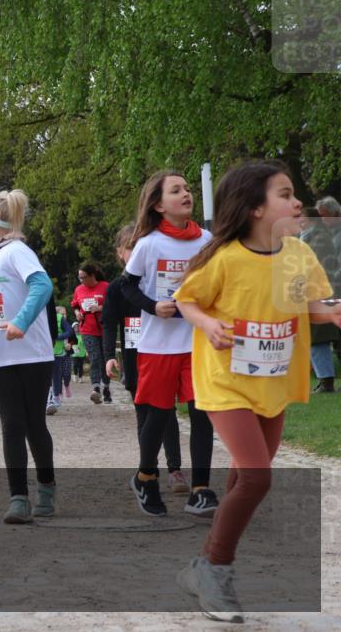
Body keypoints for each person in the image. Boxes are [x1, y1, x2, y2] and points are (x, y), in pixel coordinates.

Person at [173, 160, 340, 624]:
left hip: (273, 382)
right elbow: (187, 299)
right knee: (258, 478)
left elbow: (306, 303)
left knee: (246, 478)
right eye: (285, 194)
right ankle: (215, 570)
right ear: (254, 209)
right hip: (225, 383)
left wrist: (332, 311)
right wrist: (207, 324)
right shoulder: (224, 258)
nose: (296, 201)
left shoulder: (298, 255)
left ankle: (201, 568)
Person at [120, 170, 218, 518]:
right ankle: (146, 477)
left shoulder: (206, 239)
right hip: (158, 345)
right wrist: (152, 306)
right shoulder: (148, 244)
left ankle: (201, 489)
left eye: (188, 188)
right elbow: (125, 287)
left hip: (196, 343)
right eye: (176, 190)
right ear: (159, 204)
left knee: (201, 414)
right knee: (159, 416)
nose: (186, 193)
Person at [0, 189, 56, 523]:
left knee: (34, 424)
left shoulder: (17, 250)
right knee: (12, 425)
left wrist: (21, 322)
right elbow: (10, 299)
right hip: (0, 356)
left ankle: (46, 490)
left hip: (33, 355)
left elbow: (43, 286)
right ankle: (18, 499)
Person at [104, 224, 187, 493]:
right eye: (131, 248)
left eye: (140, 246)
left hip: (163, 352)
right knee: (143, 412)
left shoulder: (158, 281)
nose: (136, 252)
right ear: (120, 253)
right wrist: (108, 356)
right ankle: (147, 470)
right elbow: (108, 324)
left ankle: (175, 469)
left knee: (166, 412)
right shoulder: (118, 287)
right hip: (133, 356)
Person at [303, 201, 341, 393]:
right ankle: (324, 380)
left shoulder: (317, 238)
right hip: (322, 293)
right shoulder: (315, 236)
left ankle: (326, 381)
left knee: (318, 338)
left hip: (323, 294)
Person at [72, 262, 111, 404]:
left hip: (104, 328)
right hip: (87, 329)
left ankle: (106, 386)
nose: (81, 280)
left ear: (92, 275)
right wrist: (77, 314)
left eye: (83, 277)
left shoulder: (106, 287)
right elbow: (75, 305)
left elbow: (113, 305)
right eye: (79, 278)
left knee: (105, 359)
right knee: (95, 357)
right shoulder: (79, 289)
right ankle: (96, 388)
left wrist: (100, 307)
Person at [46, 306, 75, 415]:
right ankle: (49, 400)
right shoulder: (36, 316)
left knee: (57, 375)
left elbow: (70, 331)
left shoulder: (59, 318)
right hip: (42, 351)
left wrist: (59, 336)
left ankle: (56, 395)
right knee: (45, 376)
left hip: (58, 352)